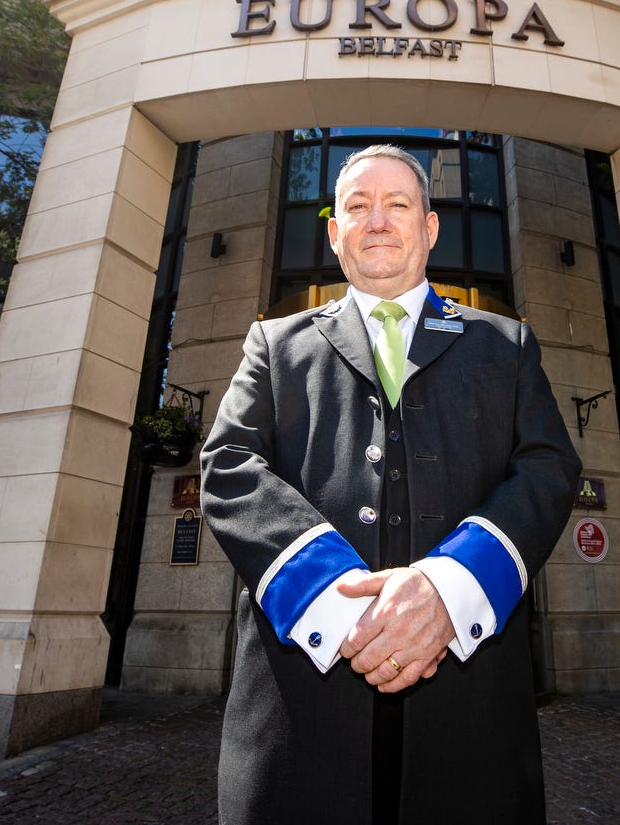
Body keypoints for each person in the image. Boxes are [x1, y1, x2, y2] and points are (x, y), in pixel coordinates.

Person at [201, 143, 581, 824]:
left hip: (469, 725)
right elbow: (229, 467)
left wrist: (447, 588)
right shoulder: (274, 344)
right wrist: (342, 605)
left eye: (398, 204)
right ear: (334, 231)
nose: (378, 221)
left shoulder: (506, 345)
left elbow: (548, 469)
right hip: (298, 721)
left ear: (429, 228)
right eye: (358, 206)